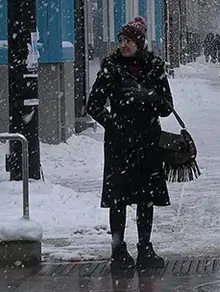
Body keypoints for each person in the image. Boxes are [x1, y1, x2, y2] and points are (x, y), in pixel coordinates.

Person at [86, 17, 171, 270]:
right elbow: (93, 104)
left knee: (146, 199)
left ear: (139, 43)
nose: (124, 45)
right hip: (119, 144)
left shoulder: (154, 67)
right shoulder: (111, 67)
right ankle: (118, 250)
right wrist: (113, 123)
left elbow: (167, 107)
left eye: (129, 41)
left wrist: (149, 96)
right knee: (118, 200)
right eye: (121, 40)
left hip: (147, 141)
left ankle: (145, 248)